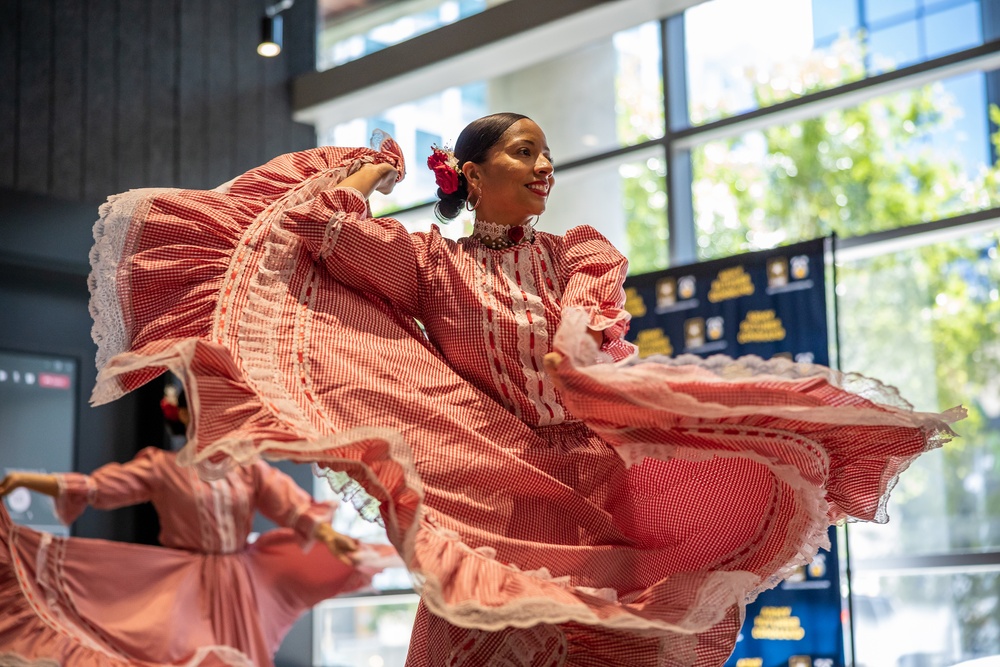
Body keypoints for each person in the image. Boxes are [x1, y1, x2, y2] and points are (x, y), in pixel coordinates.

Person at [84, 113, 963, 666]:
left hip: (592, 476)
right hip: (484, 474)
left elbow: (591, 328)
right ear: (469, 175)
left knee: (611, 637)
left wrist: (579, 359)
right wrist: (369, 168)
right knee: (476, 631)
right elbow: (317, 228)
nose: (545, 166)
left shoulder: (573, 251)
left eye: (547, 152)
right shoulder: (430, 264)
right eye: (524, 150)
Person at [0, 391, 398, 667]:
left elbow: (292, 508)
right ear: (185, 414)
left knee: (245, 655)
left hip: (242, 582)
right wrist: (26, 479)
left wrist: (331, 538)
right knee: (186, 654)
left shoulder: (246, 466)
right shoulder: (162, 468)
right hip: (184, 585)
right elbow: (97, 487)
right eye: (203, 408)